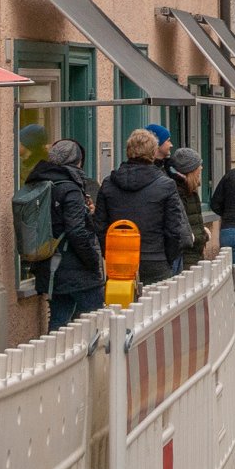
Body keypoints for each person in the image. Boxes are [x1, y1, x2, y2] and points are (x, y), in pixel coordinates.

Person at [97, 128, 197, 279]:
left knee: (121, 301)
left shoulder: (108, 183)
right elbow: (174, 228)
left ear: (128, 151)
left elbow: (100, 226)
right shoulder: (166, 184)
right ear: (153, 153)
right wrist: (167, 258)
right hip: (155, 259)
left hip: (120, 260)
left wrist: (109, 254)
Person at [36, 139, 107, 328]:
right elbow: (76, 230)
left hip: (53, 268)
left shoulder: (43, 183)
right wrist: (93, 261)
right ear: (77, 161)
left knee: (59, 322)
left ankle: (53, 356)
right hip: (77, 268)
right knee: (98, 320)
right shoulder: (70, 188)